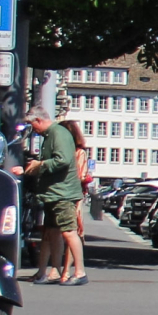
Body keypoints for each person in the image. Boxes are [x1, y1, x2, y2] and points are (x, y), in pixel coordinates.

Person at [20, 109, 86, 285]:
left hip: (62, 193)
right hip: (53, 193)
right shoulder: (51, 135)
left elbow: (62, 160)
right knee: (53, 232)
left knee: (69, 231)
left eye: (32, 124)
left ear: (39, 120)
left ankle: (80, 272)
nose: (32, 129)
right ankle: (55, 272)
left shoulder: (58, 134)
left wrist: (38, 165)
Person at [60, 118, 94, 275]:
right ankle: (65, 270)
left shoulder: (78, 153)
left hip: (73, 195)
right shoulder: (76, 152)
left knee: (71, 231)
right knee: (69, 232)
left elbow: (80, 176)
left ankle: (67, 270)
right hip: (72, 193)